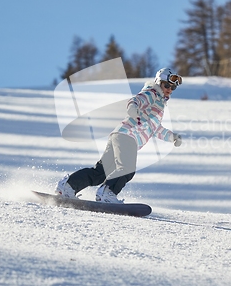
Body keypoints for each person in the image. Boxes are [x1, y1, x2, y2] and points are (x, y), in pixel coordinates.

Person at [55, 68, 183, 204]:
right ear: (158, 82)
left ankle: (68, 186)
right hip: (128, 135)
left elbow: (155, 128)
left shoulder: (160, 104)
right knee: (127, 168)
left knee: (100, 172)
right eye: (167, 85)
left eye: (173, 87)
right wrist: (133, 108)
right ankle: (107, 193)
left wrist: (172, 137)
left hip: (119, 135)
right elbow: (136, 100)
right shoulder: (152, 93)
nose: (169, 89)